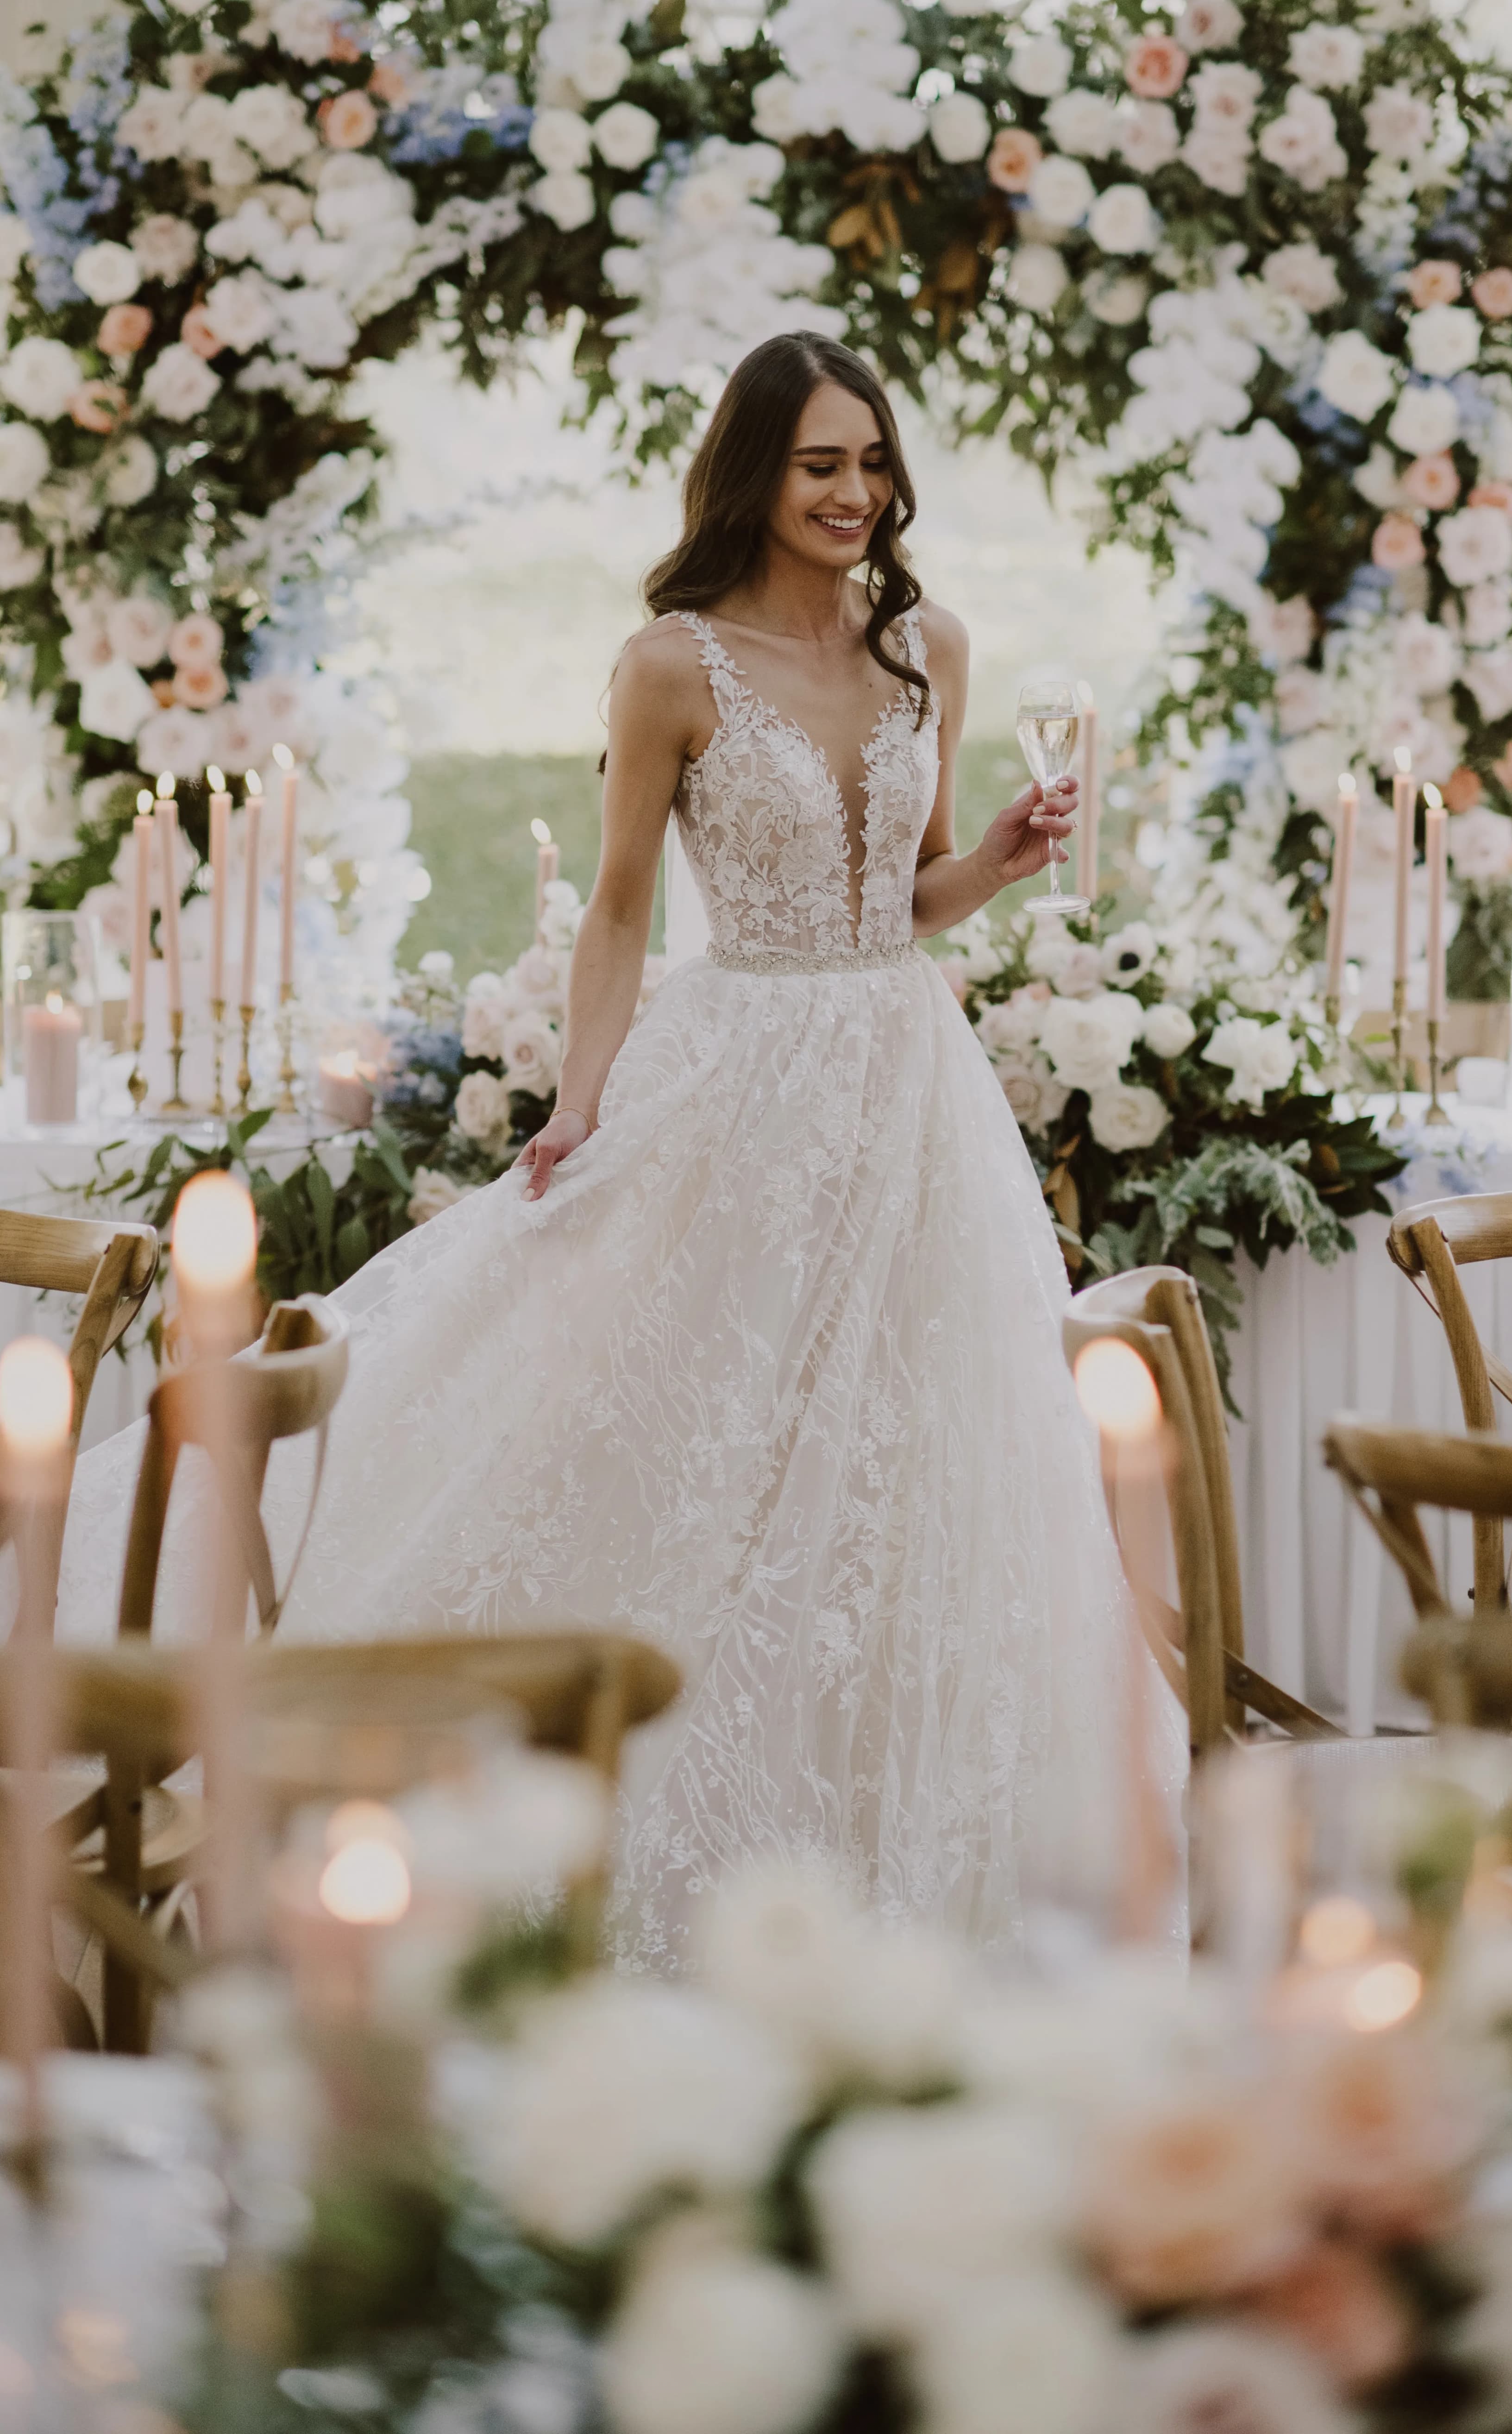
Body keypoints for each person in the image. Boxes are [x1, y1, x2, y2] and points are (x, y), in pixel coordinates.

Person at [59, 331, 1159, 1966]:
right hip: (742, 1071)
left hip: (909, 1080)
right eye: (820, 466)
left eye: (873, 462)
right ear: (755, 477)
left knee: (908, 1458)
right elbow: (628, 904)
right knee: (694, 1433)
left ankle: (881, 1862)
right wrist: (583, 1098)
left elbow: (905, 898)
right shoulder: (671, 667)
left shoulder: (935, 646)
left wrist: (995, 862)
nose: (857, 494)